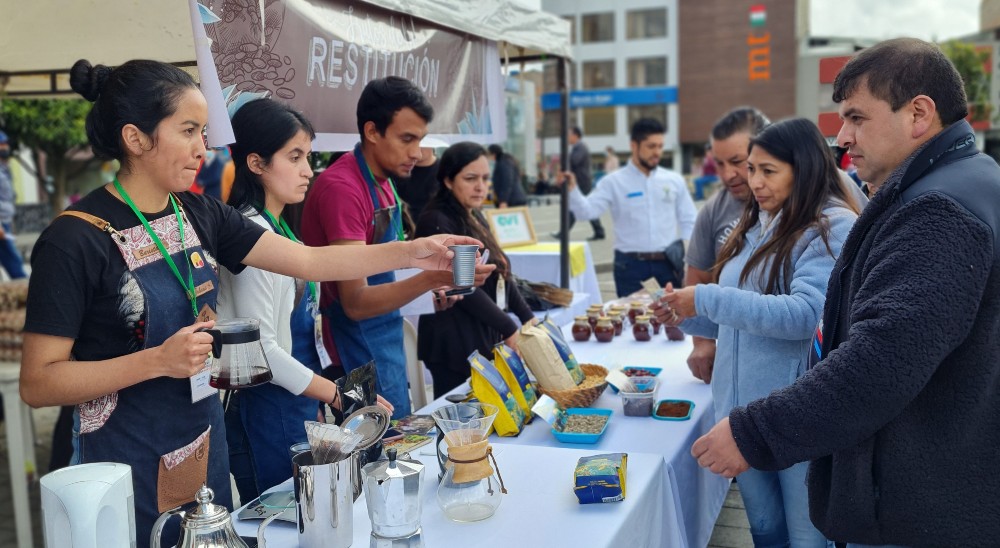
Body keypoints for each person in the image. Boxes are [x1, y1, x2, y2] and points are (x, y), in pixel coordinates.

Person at [19, 59, 482, 547]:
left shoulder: (198, 212)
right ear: (136, 138)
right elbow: (39, 380)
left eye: (204, 131)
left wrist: (415, 251)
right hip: (120, 465)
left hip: (202, 449)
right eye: (190, 131)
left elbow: (307, 262)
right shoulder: (74, 239)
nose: (205, 147)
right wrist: (156, 361)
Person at [688, 38, 1000, 546]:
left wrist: (754, 433)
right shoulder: (962, 180)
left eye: (856, 117)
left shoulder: (938, 209)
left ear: (919, 113)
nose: (843, 136)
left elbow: (880, 363)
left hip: (921, 503)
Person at [655, 118, 860, 547]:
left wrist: (707, 298)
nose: (755, 182)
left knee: (807, 537)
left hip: (795, 417)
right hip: (741, 418)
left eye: (769, 170)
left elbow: (807, 315)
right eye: (751, 169)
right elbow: (739, 319)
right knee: (765, 530)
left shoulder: (830, 226)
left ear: (802, 169)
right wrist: (682, 316)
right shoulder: (754, 227)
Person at [217, 98, 393, 502]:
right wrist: (333, 394)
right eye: (294, 157)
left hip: (292, 398)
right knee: (285, 519)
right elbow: (260, 350)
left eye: (308, 157)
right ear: (256, 163)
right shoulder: (250, 236)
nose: (306, 171)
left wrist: (324, 389)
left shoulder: (277, 228)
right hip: (262, 404)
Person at [301, 76, 490, 419]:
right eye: (407, 139)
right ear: (372, 131)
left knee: (399, 439)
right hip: (353, 342)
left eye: (420, 139)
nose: (417, 153)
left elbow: (386, 270)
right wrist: (430, 280)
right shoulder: (343, 188)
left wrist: (429, 294)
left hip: (385, 333)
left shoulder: (384, 184)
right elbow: (355, 302)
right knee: (379, 450)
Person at [415, 142, 535, 396]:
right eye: (471, 178)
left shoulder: (474, 214)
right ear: (448, 180)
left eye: (485, 178)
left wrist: (527, 317)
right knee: (463, 423)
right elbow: (464, 286)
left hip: (478, 334)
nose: (481, 186)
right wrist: (509, 327)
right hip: (453, 342)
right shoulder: (437, 220)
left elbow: (500, 272)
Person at [559, 117, 697, 297]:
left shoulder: (674, 181)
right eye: (651, 146)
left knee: (671, 321)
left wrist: (687, 260)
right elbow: (586, 212)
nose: (657, 152)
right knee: (631, 320)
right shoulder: (613, 182)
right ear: (634, 145)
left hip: (668, 265)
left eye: (660, 146)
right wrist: (573, 190)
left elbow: (690, 220)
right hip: (630, 267)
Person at [684, 107, 769, 384]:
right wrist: (702, 342)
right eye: (719, 164)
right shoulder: (713, 211)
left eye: (737, 161)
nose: (728, 174)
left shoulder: (805, 202)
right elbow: (697, 278)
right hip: (732, 359)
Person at [553, 126, 605, 240]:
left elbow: (574, 161)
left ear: (575, 135)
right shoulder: (577, 148)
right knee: (584, 206)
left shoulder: (580, 147)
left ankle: (564, 233)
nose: (567, 137)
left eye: (569, 134)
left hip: (581, 182)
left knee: (574, 206)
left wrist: (564, 155)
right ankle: (599, 231)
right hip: (580, 181)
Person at [0, 130, 27, 280]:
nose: (4, 147)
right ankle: (26, 291)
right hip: (1, 225)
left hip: (6, 222)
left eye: (5, 144)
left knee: (11, 259)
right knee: (14, 261)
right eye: (1, 144)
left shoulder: (4, 168)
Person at [397, 144, 441, 222]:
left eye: (423, 143)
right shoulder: (399, 169)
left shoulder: (443, 170)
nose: (418, 147)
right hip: (404, 225)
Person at [487, 144, 527, 208]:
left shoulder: (504, 163)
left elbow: (507, 182)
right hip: (512, 199)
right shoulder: (504, 161)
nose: (488, 157)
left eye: (489, 154)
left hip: (512, 200)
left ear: (494, 153)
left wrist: (503, 200)